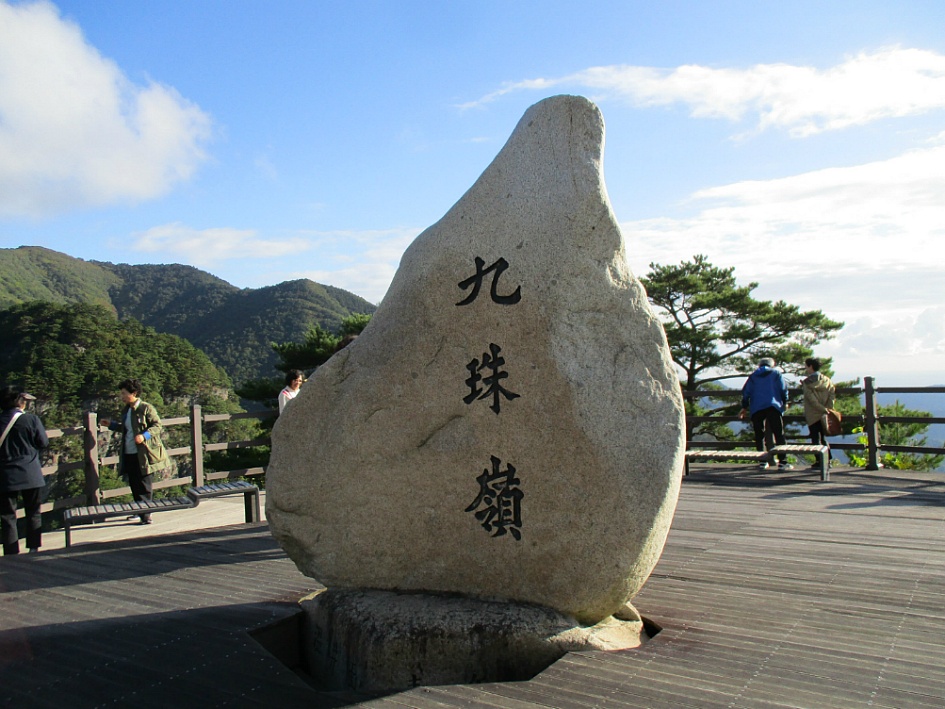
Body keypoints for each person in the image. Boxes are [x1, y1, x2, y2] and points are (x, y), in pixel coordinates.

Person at [100, 379, 169, 525]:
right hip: (129, 452)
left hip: (143, 453)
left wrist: (144, 436)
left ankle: (146, 514)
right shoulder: (126, 410)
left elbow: (158, 426)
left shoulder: (146, 408)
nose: (122, 397)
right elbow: (127, 429)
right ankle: (139, 511)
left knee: (144, 484)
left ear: (134, 393)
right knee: (134, 483)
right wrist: (111, 425)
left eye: (124, 393)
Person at [0, 386, 48, 555]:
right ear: (19, 402)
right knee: (33, 511)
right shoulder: (31, 420)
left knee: (7, 516)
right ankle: (33, 548)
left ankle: (11, 552)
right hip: (30, 472)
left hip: (5, 474)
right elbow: (43, 442)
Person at [739, 357, 792, 470]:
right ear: (772, 365)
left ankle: (762, 461)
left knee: (759, 435)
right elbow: (783, 388)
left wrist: (744, 407)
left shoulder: (753, 376)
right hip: (773, 406)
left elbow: (746, 392)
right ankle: (782, 462)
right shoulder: (776, 373)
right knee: (779, 433)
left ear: (759, 365)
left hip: (757, 407)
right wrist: (785, 401)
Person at [802, 357, 836, 467]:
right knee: (823, 438)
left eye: (806, 366)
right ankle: (828, 460)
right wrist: (828, 409)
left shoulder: (807, 382)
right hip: (824, 413)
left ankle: (819, 461)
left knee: (815, 438)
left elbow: (811, 399)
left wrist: (821, 408)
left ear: (810, 366)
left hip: (812, 413)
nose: (805, 368)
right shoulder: (827, 380)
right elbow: (832, 395)